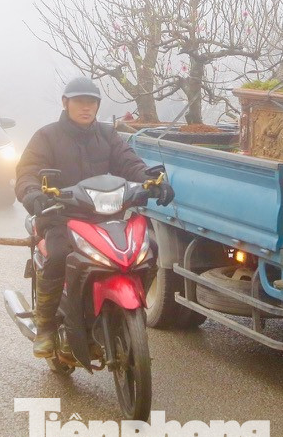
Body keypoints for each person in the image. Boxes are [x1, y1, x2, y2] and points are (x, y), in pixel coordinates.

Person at [14, 77, 174, 358]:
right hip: (61, 216)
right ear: (65, 103)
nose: (86, 108)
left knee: (150, 248)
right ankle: (46, 327)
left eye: (91, 103)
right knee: (57, 256)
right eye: (79, 102)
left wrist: (152, 181)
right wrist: (33, 194)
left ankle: (124, 307)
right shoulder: (46, 136)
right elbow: (27, 172)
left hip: (104, 217)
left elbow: (129, 162)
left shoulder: (107, 135)